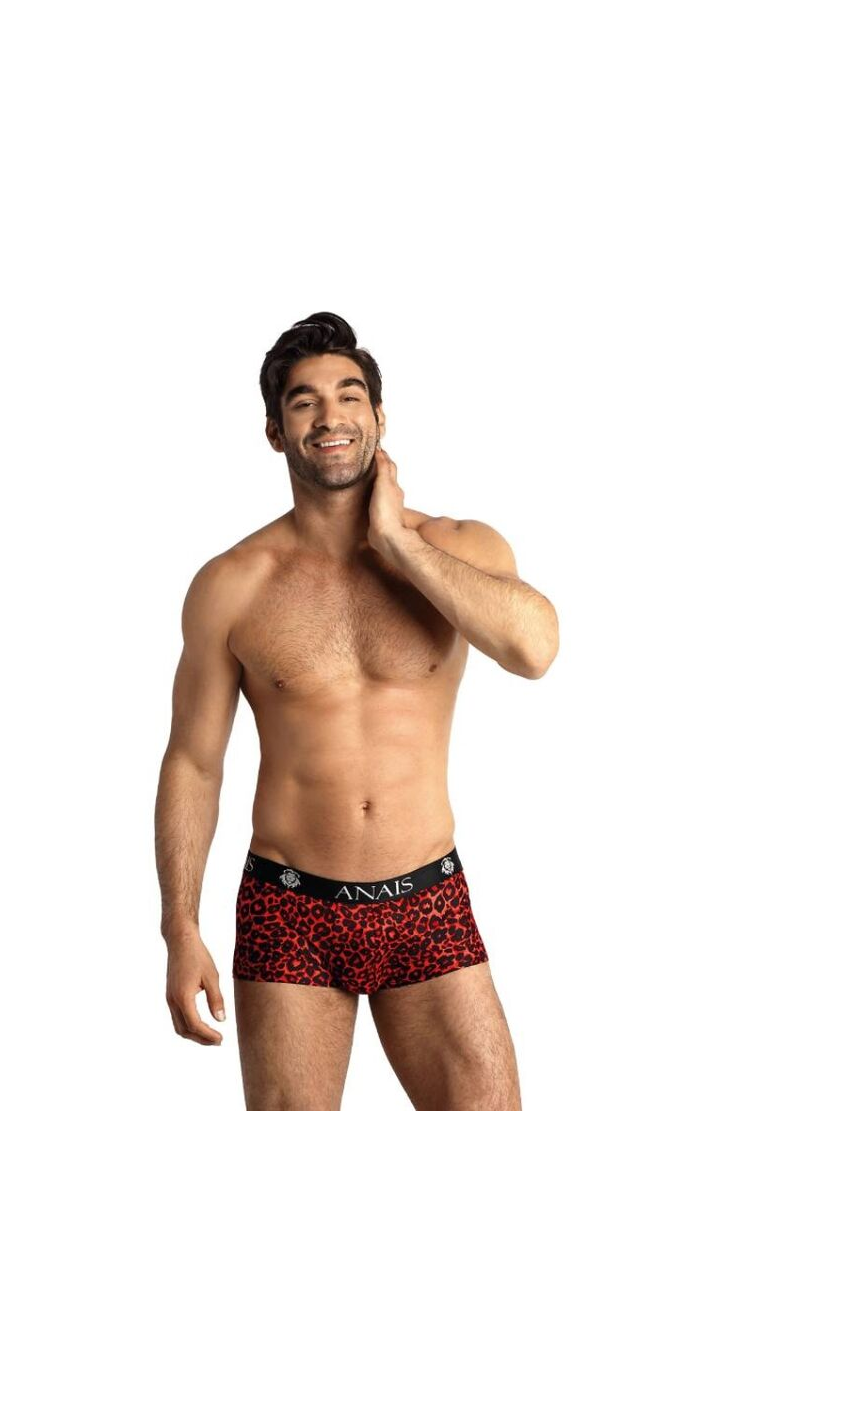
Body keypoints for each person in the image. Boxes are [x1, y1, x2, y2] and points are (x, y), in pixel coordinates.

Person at [155, 312, 558, 1110]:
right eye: (303, 402)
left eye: (348, 396)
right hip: (288, 908)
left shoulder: (457, 547)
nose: (329, 416)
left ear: (379, 417)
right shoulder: (232, 584)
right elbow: (194, 762)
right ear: (275, 432)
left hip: (427, 900)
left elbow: (534, 649)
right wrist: (180, 927)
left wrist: (399, 543)